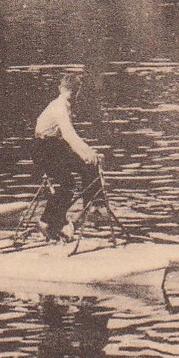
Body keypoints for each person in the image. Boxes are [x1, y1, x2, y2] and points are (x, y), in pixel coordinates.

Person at [32, 72, 101, 241]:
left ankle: (91, 207)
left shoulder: (65, 104)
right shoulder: (59, 107)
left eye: (74, 90)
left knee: (89, 166)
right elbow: (69, 135)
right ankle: (45, 222)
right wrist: (88, 152)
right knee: (67, 184)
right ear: (61, 89)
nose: (71, 94)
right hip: (43, 148)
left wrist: (88, 155)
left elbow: (68, 138)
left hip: (55, 145)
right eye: (69, 90)